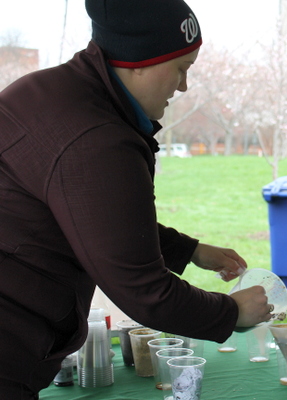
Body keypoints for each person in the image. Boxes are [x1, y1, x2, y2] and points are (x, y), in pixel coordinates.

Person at [0, 0, 272, 397]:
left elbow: (91, 217)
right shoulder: (97, 139)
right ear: (139, 60)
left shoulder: (49, 91)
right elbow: (144, 291)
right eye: (181, 69)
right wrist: (231, 312)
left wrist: (190, 250)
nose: (183, 87)